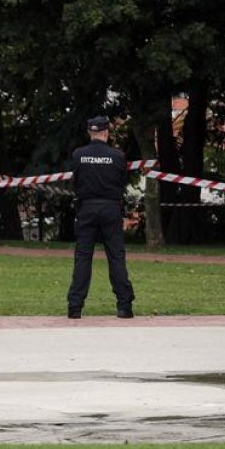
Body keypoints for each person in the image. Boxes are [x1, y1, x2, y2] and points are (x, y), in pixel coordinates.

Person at [67, 116, 135, 319]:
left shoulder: (79, 155)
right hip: (110, 209)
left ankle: (75, 307)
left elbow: (75, 182)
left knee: (82, 258)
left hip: (86, 209)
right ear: (106, 133)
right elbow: (122, 182)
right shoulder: (118, 156)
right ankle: (125, 306)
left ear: (90, 133)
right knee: (116, 256)